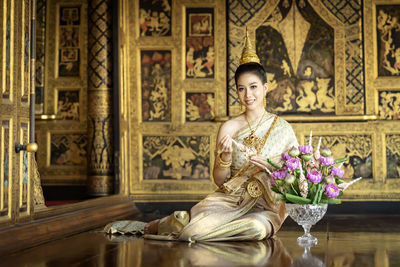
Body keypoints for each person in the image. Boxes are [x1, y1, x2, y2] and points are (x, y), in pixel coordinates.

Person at [141, 32, 299, 242]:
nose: (248, 95)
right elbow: (220, 180)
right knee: (191, 233)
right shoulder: (229, 127)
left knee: (256, 229)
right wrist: (224, 157)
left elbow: (297, 175)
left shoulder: (282, 128)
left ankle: (188, 223)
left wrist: (271, 166)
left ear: (265, 88)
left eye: (253, 87)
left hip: (266, 206)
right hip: (229, 200)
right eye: (241, 89)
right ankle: (183, 224)